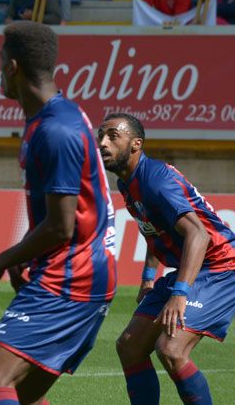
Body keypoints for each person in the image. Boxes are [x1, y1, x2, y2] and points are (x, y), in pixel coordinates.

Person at [0, 22, 117, 404]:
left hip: (73, 275)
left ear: (13, 67)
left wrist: (2, 260)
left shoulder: (57, 130)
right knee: (21, 392)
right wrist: (28, 254)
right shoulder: (52, 117)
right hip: (76, 269)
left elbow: (61, 226)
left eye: (0, 62)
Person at [101, 113, 235, 405]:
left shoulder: (155, 180)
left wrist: (179, 293)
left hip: (221, 266)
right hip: (195, 265)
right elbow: (156, 228)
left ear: (136, 144)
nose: (102, 143)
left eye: (112, 136)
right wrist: (148, 278)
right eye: (101, 136)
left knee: (171, 350)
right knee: (130, 347)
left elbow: (199, 235)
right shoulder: (128, 182)